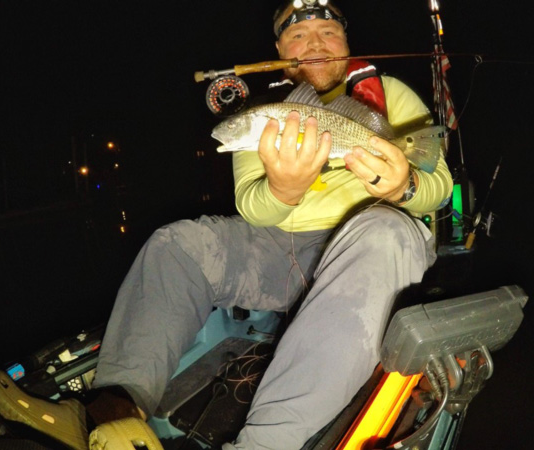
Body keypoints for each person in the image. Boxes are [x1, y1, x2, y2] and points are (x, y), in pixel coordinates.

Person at [92, 1, 453, 448]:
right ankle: (113, 410)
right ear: (280, 49)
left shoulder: (390, 93)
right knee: (178, 244)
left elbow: (440, 184)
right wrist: (283, 188)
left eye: (328, 31)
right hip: (282, 251)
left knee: (383, 231)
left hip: (373, 249)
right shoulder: (268, 111)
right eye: (299, 35)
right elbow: (252, 207)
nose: (315, 43)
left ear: (346, 41)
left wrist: (404, 186)